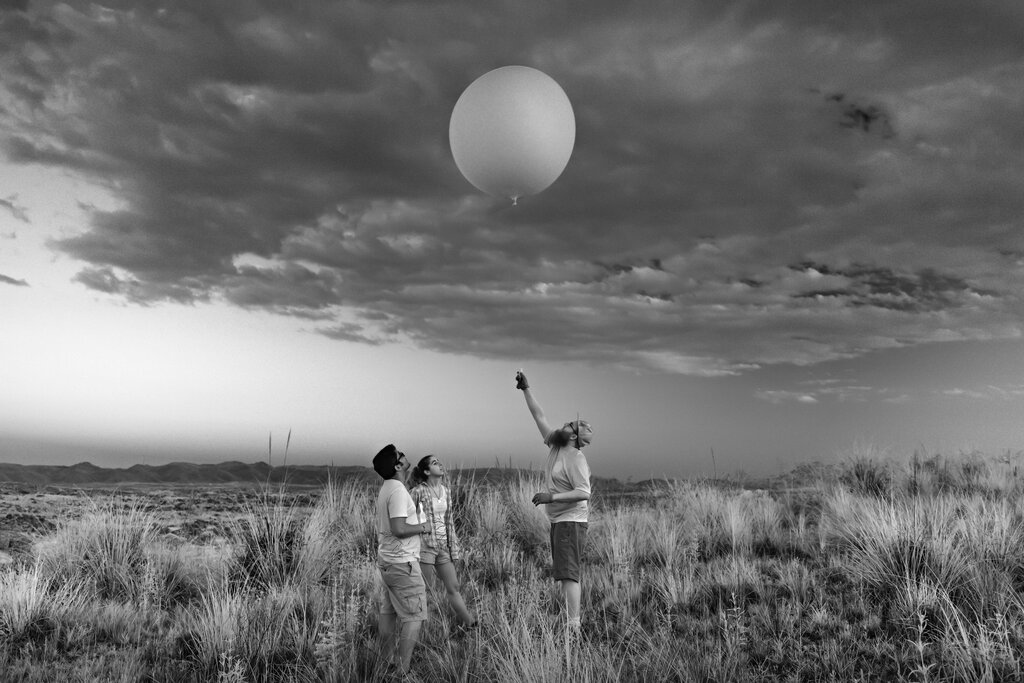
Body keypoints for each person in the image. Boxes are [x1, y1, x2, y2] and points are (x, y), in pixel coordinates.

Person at [515, 369, 593, 632]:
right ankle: (571, 622)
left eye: (570, 424)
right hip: (560, 521)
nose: (564, 424)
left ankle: (574, 629)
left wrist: (552, 497)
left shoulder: (575, 458)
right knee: (564, 573)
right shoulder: (556, 446)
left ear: (573, 436)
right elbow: (539, 415)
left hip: (571, 522)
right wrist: (526, 388)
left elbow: (584, 492)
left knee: (569, 574)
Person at [372, 444, 431, 676]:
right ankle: (402, 671)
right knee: (414, 616)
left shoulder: (387, 488)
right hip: (402, 564)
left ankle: (385, 663)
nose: (405, 456)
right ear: (398, 466)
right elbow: (398, 528)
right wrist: (422, 527)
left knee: (389, 612)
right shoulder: (397, 491)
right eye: (401, 455)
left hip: (388, 562)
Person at [408, 455, 477, 629]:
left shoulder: (446, 491)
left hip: (443, 546)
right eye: (434, 463)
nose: (440, 465)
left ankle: (469, 623)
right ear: (426, 471)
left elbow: (449, 521)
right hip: (425, 547)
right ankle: (417, 628)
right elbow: (406, 516)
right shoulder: (418, 491)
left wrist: (453, 548)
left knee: (453, 586)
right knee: (424, 590)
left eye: (439, 462)